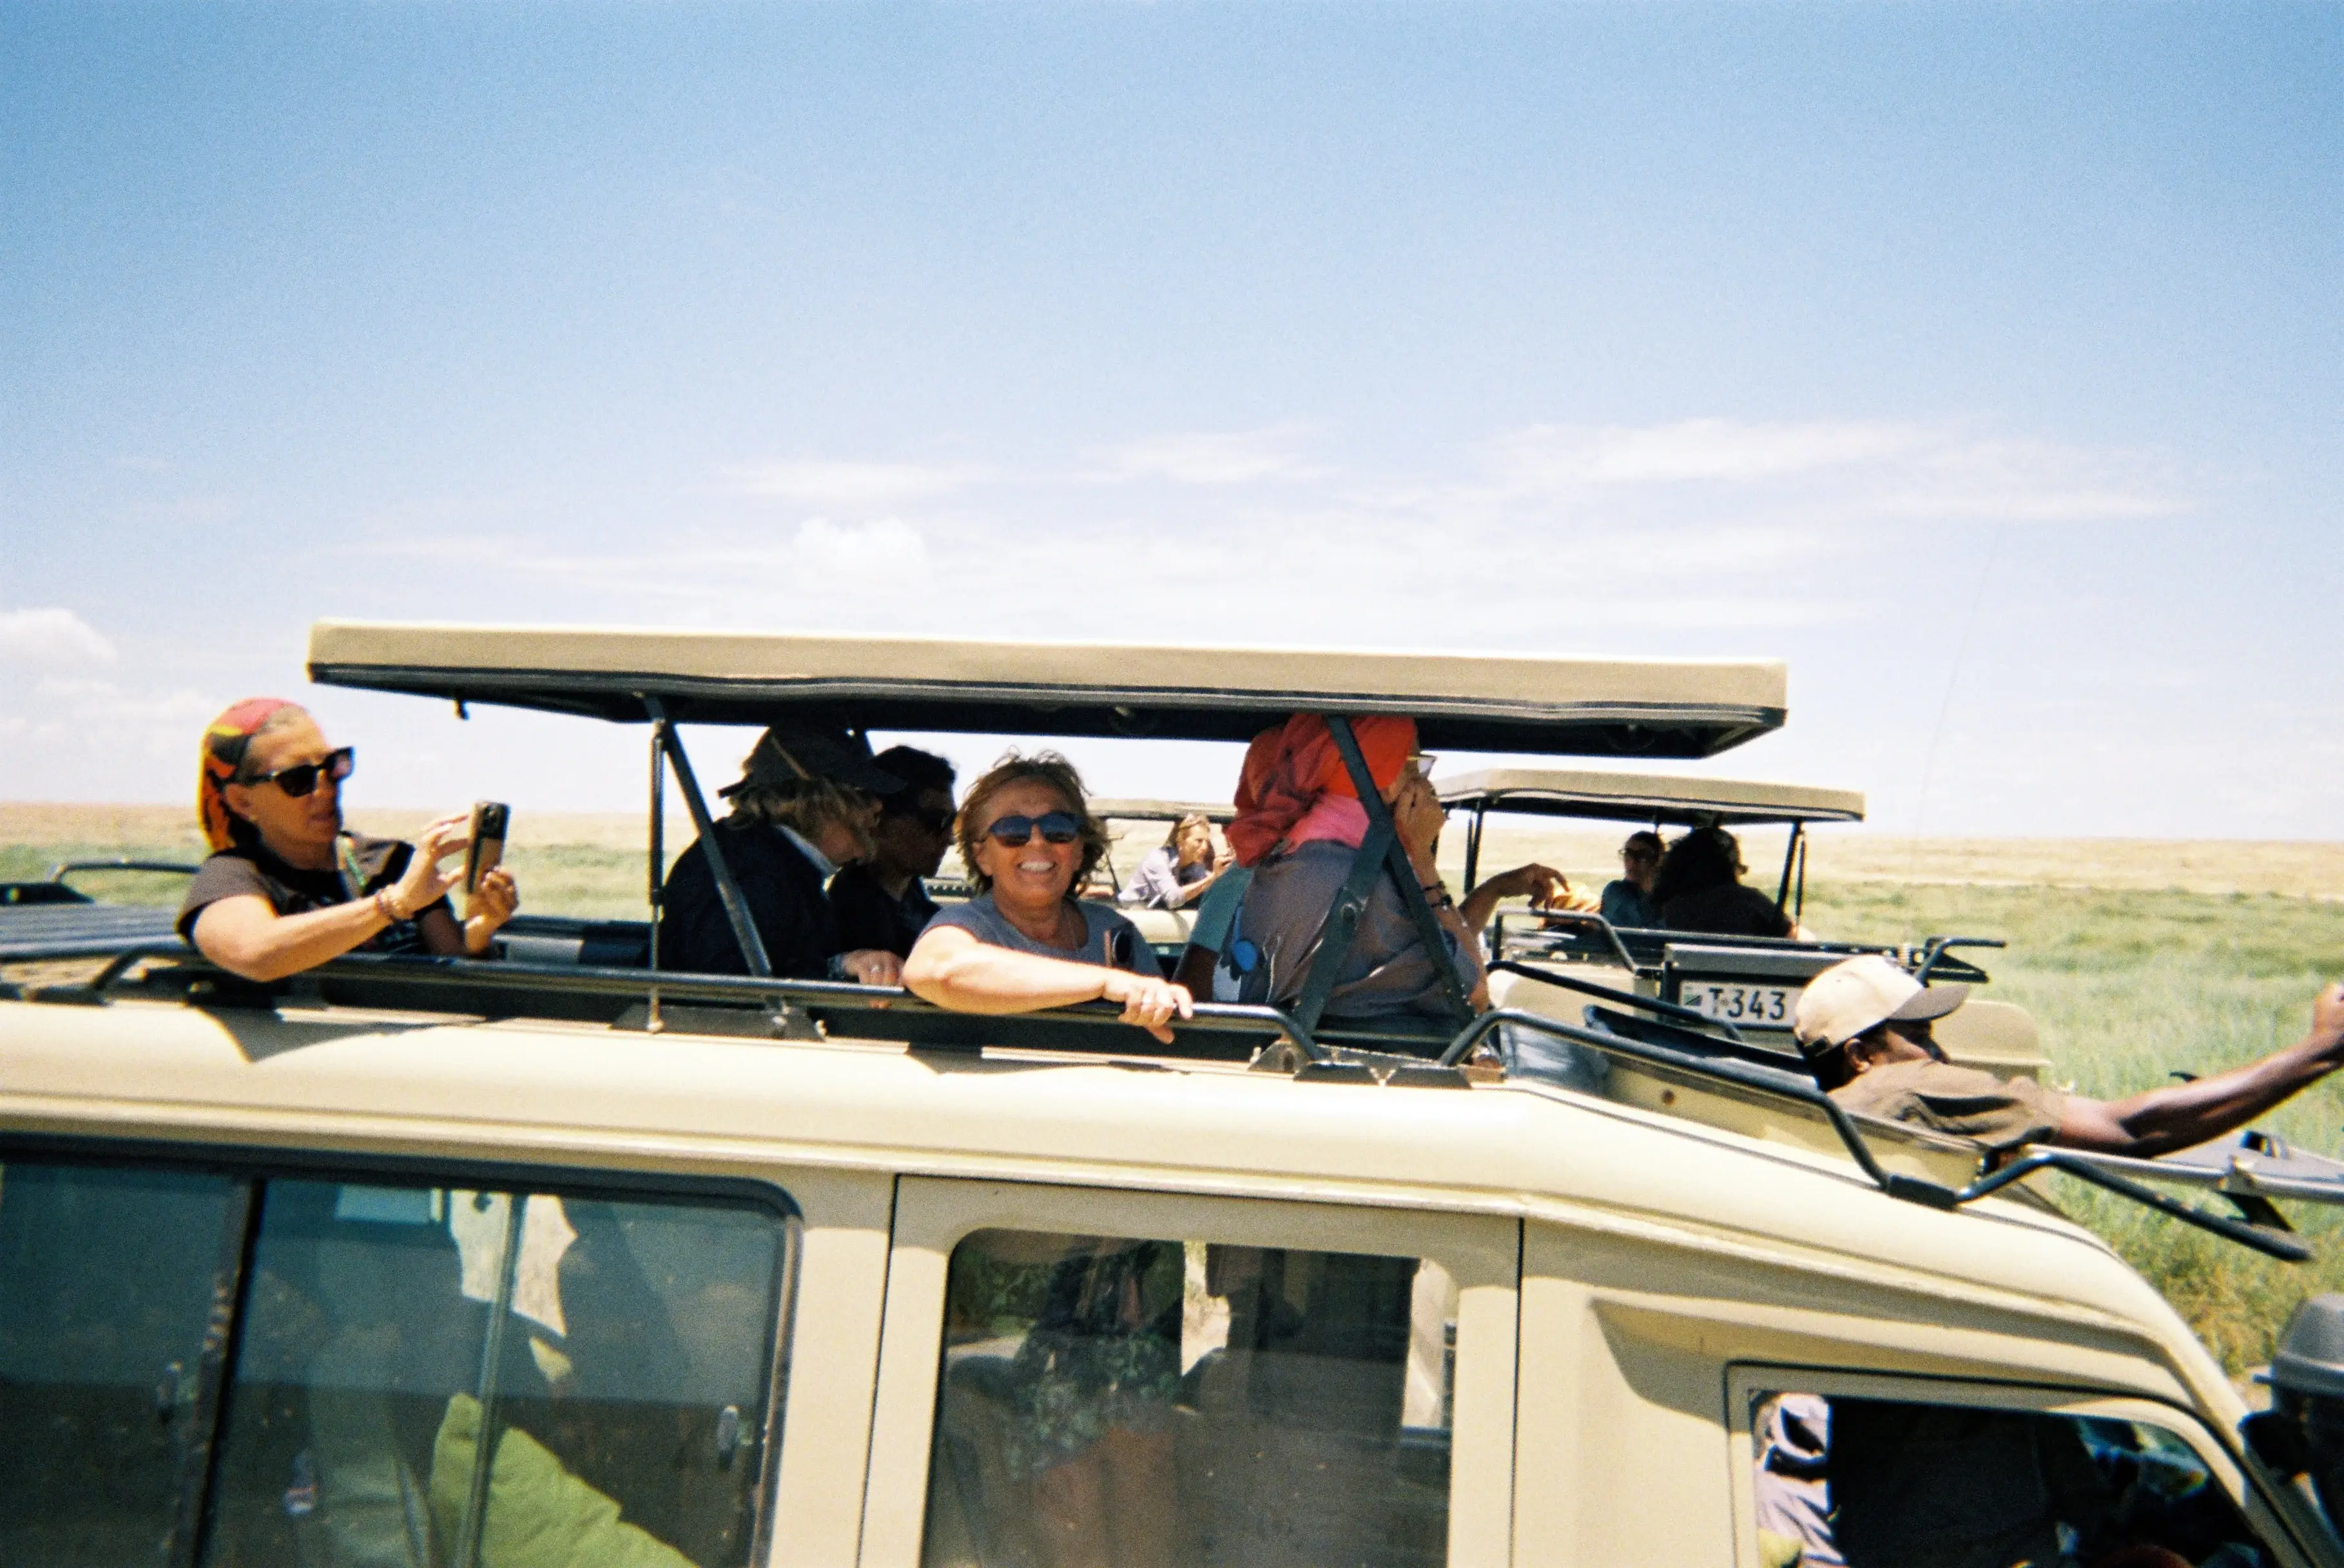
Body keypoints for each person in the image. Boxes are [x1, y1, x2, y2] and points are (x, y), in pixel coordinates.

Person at [1793, 953, 2344, 1159]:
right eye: (1917, 1034)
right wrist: (2317, 1051)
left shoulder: (1837, 1107)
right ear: (1862, 1054)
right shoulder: (1909, 1087)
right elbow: (2131, 1130)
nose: (1936, 1050)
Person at [1223, 714, 1566, 1023]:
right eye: (1414, 766)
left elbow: (1441, 944)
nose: (1426, 785)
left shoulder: (1296, 856)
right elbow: (1473, 993)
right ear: (1380, 774)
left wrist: (1493, 890)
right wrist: (1424, 861)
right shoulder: (1361, 881)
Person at [179, 699, 519, 983]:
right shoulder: (234, 876)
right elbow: (253, 952)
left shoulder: (390, 862)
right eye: (297, 779)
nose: (326, 787)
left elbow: (456, 977)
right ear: (243, 802)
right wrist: (392, 906)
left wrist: (478, 936)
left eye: (333, 766)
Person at [902, 752, 1193, 1043]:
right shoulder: (963, 925)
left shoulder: (1114, 931)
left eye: (1058, 829)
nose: (1038, 841)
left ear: (1079, 850)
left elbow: (1161, 1037)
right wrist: (1105, 982)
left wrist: (1164, 999)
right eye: (1012, 831)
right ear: (982, 857)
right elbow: (938, 971)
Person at [656, 723, 905, 984]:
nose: (877, 806)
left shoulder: (773, 859)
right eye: (863, 796)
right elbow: (728, 989)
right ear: (818, 802)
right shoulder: (751, 871)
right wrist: (839, 967)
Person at [827, 746, 957, 960]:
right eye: (937, 822)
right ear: (878, 817)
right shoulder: (850, 917)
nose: (950, 838)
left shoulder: (921, 910)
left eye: (952, 822)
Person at [1652, 826, 1799, 939]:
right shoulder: (1749, 901)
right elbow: (1796, 937)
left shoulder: (1670, 906)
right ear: (1729, 866)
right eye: (1739, 868)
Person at [1117, 813, 1232, 912]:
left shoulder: (1195, 865)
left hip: (1158, 912)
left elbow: (1205, 891)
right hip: (1133, 911)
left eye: (1207, 842)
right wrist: (1212, 878)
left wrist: (1225, 875)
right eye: (1199, 841)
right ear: (1181, 841)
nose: (1205, 847)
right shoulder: (1157, 859)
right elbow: (1173, 899)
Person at [1598, 830, 1665, 929]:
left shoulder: (1667, 900)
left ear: (1658, 860)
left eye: (1642, 856)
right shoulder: (1616, 891)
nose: (1632, 862)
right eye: (1628, 854)